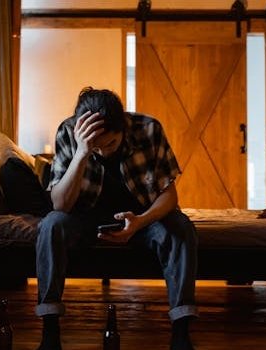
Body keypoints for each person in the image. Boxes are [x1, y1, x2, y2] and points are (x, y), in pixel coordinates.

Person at [35, 87, 198, 350]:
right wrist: (81, 152)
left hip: (143, 218)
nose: (104, 153)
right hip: (85, 216)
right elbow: (60, 204)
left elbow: (170, 197)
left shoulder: (148, 129)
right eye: (96, 148)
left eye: (110, 144)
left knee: (181, 228)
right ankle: (50, 332)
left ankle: (181, 333)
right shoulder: (68, 132)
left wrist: (140, 222)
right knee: (51, 225)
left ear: (123, 126)